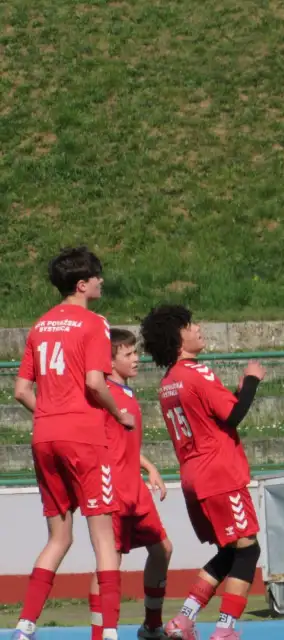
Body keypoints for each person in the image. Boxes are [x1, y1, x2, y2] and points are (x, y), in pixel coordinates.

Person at [12, 247, 133, 640]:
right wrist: (119, 415)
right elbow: (96, 383)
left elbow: (21, 390)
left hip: (44, 436)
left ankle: (25, 625)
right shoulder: (94, 322)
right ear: (82, 285)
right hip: (83, 438)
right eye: (97, 276)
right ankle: (110, 632)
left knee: (59, 537)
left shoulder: (39, 324)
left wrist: (50, 414)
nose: (101, 281)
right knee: (103, 537)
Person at [140, 306, 266, 640]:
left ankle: (184, 618)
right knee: (248, 549)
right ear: (176, 337)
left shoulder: (168, 383)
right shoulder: (197, 372)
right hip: (220, 474)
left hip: (194, 477)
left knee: (230, 550)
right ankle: (225, 628)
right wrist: (252, 379)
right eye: (190, 325)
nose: (198, 328)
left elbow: (211, 418)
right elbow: (234, 416)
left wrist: (237, 392)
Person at [88, 329, 173, 640]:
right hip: (112, 487)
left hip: (134, 485)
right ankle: (100, 634)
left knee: (163, 549)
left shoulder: (127, 393)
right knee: (110, 562)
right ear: (109, 362)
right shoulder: (101, 395)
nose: (137, 358)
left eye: (136, 352)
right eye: (128, 354)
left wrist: (149, 466)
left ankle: (151, 626)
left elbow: (124, 443)